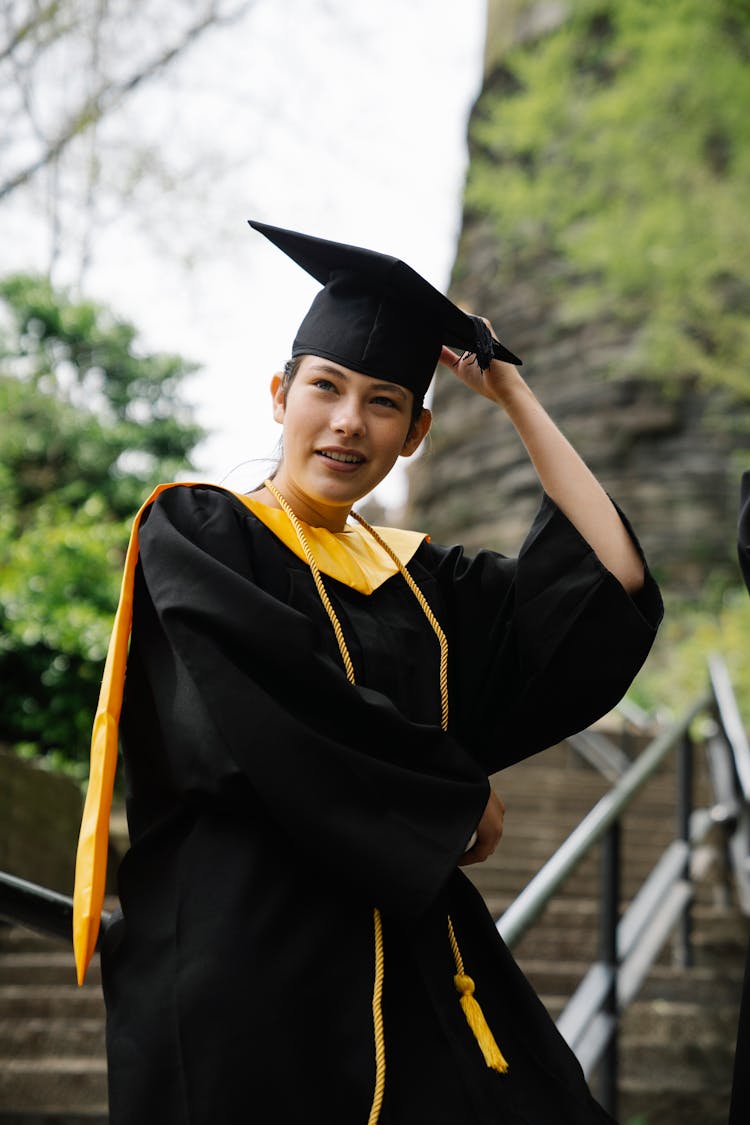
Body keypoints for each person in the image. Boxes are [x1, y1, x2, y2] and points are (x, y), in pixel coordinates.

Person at [73, 221, 663, 1124]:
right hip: (251, 968)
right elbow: (266, 713)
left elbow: (609, 576)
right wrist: (452, 793)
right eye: (326, 387)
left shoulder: (423, 583)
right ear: (280, 394)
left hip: (414, 962)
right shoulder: (198, 533)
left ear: (417, 432)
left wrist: (512, 393)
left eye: (385, 401)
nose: (350, 421)